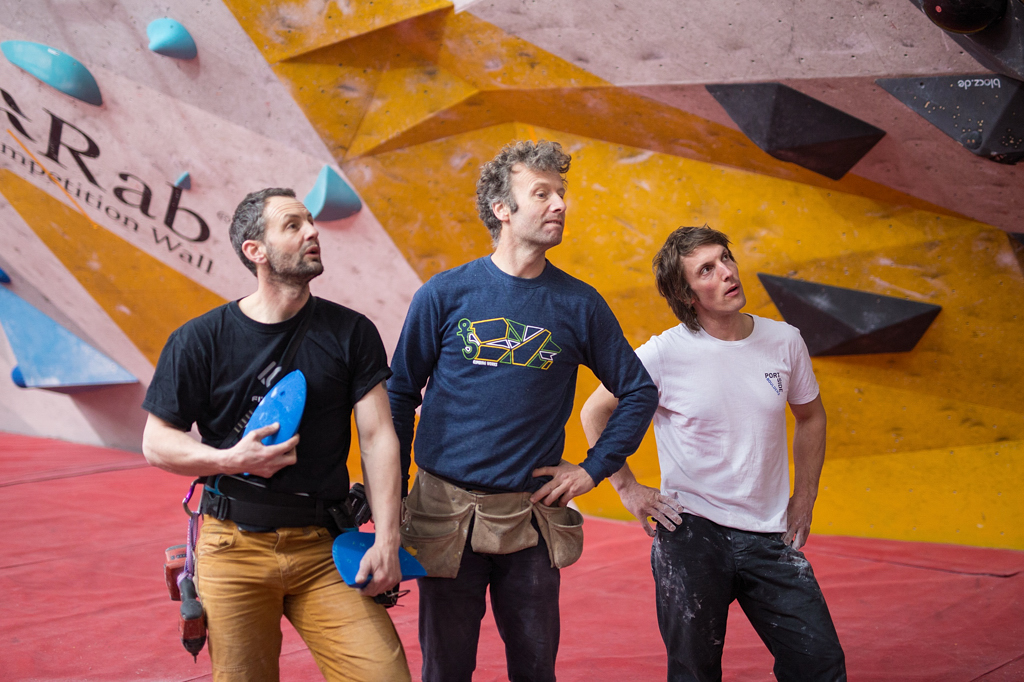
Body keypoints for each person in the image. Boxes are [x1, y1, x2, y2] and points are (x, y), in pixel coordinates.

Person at [388, 140, 658, 682]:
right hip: (443, 517)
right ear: (502, 209)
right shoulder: (444, 294)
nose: (560, 204)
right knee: (446, 671)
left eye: (562, 193)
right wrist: (389, 495)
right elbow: (398, 395)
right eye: (542, 193)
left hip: (531, 522)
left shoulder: (579, 304)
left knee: (535, 671)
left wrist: (593, 468)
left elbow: (638, 390)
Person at [141, 188, 410, 682]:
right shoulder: (200, 339)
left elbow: (377, 438)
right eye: (292, 225)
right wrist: (230, 458)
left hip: (325, 544)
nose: (312, 231)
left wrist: (387, 540)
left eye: (310, 221)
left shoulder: (351, 332)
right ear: (255, 250)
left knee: (384, 675)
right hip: (232, 548)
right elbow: (156, 442)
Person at [581, 226, 846, 682]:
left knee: (819, 664)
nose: (727, 273)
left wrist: (806, 496)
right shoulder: (664, 353)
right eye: (707, 269)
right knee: (694, 672)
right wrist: (628, 489)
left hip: (768, 532)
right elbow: (594, 412)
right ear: (686, 294)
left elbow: (811, 417)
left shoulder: (785, 340)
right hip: (691, 532)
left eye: (726, 259)